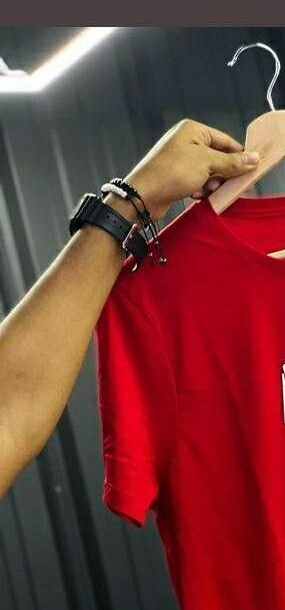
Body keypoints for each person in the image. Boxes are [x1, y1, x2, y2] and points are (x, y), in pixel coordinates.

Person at [0, 119, 259, 498]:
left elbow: (9, 413)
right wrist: (129, 203)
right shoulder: (145, 299)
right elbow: (8, 414)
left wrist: (132, 202)